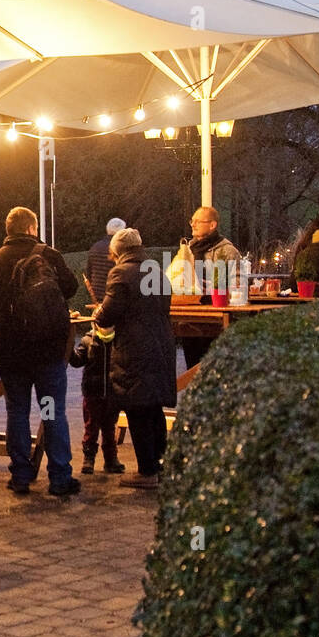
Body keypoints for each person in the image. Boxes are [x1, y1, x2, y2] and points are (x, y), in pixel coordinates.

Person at [0, 206, 80, 497]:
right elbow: (70, 288)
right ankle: (59, 477)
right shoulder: (48, 255)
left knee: (17, 411)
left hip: (11, 353)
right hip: (47, 351)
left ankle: (21, 475)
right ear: (32, 228)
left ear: (8, 230)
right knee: (51, 410)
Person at [93, 228, 174, 489]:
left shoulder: (120, 272)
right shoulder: (157, 270)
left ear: (118, 251)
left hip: (134, 350)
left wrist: (98, 312)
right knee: (154, 409)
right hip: (160, 345)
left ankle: (147, 470)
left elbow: (108, 314)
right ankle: (162, 465)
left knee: (138, 407)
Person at [170, 205, 242, 368]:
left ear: (212, 225)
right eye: (192, 221)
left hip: (215, 321)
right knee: (192, 369)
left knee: (213, 369)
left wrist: (211, 287)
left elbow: (238, 284)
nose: (193, 225)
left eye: (198, 221)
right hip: (189, 320)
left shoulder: (227, 251)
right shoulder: (187, 250)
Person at [68, 319, 123, 477]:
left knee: (109, 428)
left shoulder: (118, 341)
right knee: (91, 427)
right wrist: (70, 349)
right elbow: (78, 361)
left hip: (111, 393)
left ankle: (111, 459)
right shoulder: (87, 341)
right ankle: (89, 459)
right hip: (92, 392)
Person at [84, 216, 125, 303]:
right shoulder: (120, 249)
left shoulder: (95, 247)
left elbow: (88, 273)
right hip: (114, 296)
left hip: (97, 296)